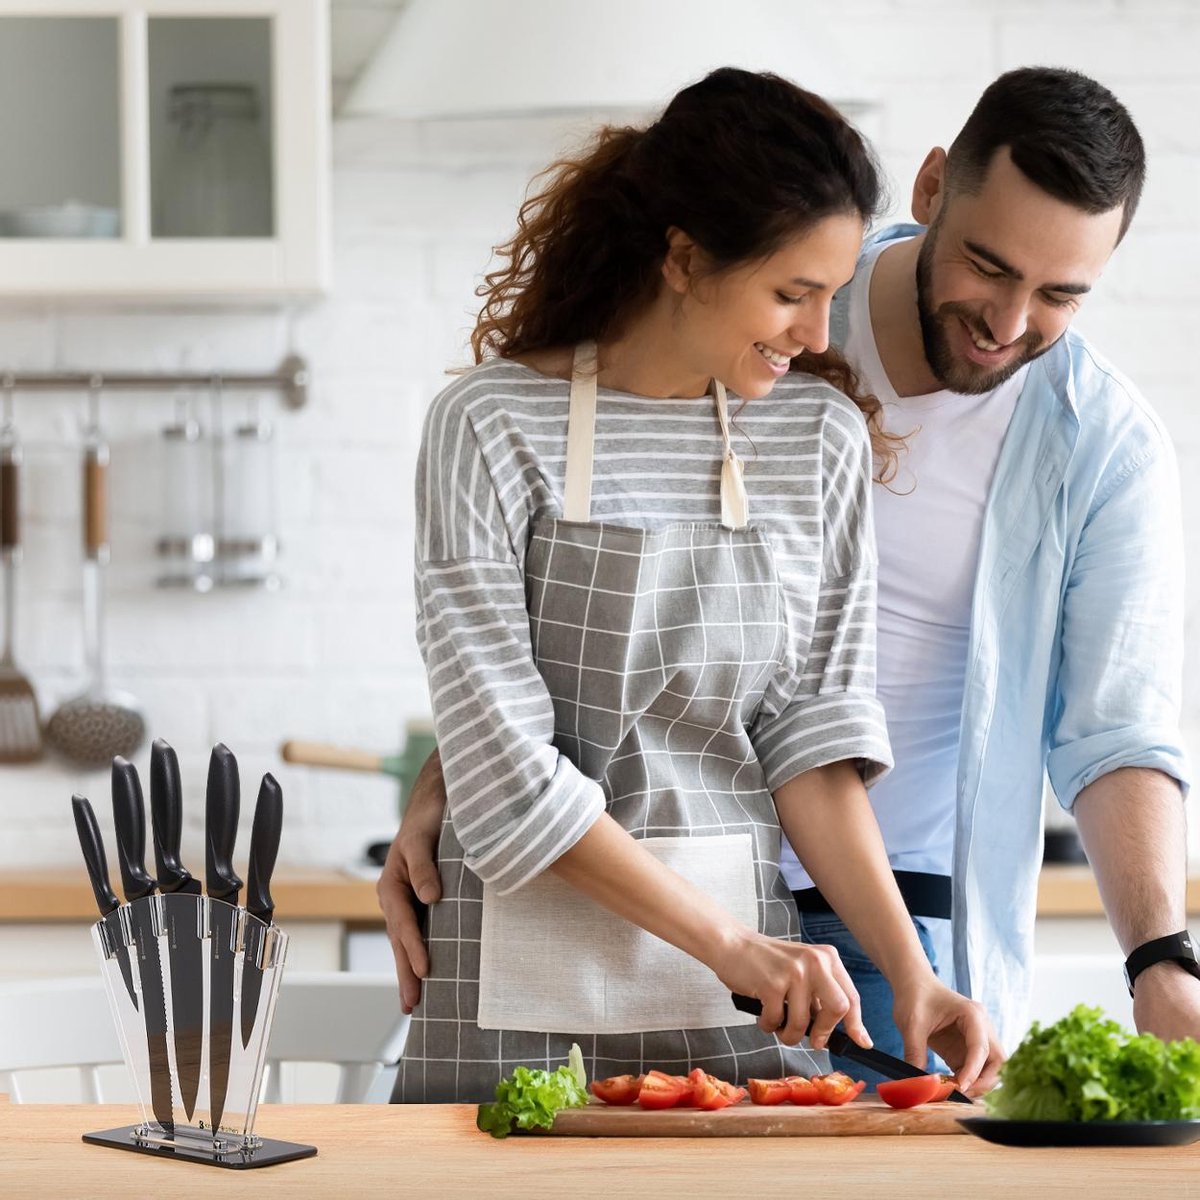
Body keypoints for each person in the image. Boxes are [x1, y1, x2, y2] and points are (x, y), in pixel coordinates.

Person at [382, 64, 1194, 1073]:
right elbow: (524, 713)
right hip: (588, 936)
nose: (1011, 319)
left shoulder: (851, 428)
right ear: (933, 190)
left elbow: (828, 736)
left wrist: (947, 966)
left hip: (819, 936)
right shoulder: (513, 415)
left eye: (1061, 294)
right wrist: (457, 766)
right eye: (990, 266)